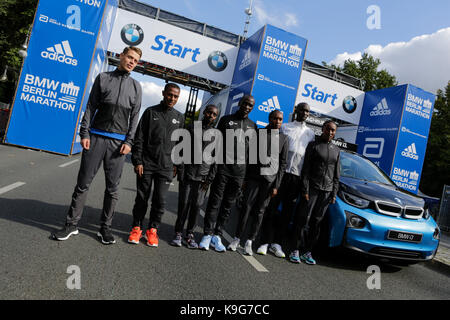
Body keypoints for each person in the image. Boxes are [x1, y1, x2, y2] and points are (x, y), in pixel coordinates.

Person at [53, 46, 142, 244]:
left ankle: (105, 228)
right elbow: (91, 106)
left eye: (135, 61)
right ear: (121, 56)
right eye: (129, 57)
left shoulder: (136, 87)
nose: (131, 62)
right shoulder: (103, 78)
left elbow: (134, 118)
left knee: (112, 189)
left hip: (118, 145)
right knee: (83, 185)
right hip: (95, 138)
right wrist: (84, 133)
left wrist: (129, 142)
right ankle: (71, 225)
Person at [127, 83, 185, 247]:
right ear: (163, 93)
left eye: (175, 96)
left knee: (160, 201)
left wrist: (177, 166)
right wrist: (137, 160)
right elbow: (140, 138)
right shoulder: (150, 112)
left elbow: (181, 146)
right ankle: (136, 228)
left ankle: (152, 230)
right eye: (170, 95)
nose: (172, 98)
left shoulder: (179, 117)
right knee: (142, 198)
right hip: (147, 165)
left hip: (166, 167)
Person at [199, 94, 257, 252]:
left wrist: (246, 177)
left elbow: (252, 153)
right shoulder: (225, 120)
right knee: (214, 203)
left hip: (239, 173)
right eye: (245, 103)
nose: (246, 107)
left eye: (250, 105)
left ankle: (217, 235)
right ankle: (207, 234)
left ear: (252, 108)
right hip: (222, 170)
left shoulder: (253, 126)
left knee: (227, 206)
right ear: (239, 103)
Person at [256, 102, 315, 257]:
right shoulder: (285, 127)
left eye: (307, 111)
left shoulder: (310, 133)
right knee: (271, 208)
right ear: (296, 111)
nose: (304, 113)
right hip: (280, 174)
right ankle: (264, 242)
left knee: (287, 213)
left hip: (296, 178)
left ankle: (277, 244)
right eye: (302, 110)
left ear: (309, 114)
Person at [227, 110, 288, 255]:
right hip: (254, 178)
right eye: (275, 118)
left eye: (280, 119)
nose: (277, 121)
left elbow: (283, 164)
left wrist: (276, 186)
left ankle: (250, 241)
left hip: (269, 181)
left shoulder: (284, 139)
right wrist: (245, 179)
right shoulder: (258, 133)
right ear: (269, 118)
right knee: (246, 208)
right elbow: (248, 157)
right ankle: (236, 238)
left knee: (260, 212)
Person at [289, 120, 340, 264]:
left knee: (316, 224)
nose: (330, 132)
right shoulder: (313, 145)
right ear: (323, 129)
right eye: (328, 129)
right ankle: (295, 249)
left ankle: (307, 252)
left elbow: (336, 175)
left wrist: (334, 193)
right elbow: (305, 170)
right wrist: (305, 189)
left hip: (326, 192)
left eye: (333, 130)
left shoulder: (336, 150)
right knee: (302, 220)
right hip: (311, 189)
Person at [170, 105, 219, 249]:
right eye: (209, 112)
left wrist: (209, 179)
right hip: (188, 173)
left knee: (196, 206)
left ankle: (190, 234)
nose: (211, 115)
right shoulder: (191, 127)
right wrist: (180, 169)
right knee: (183, 204)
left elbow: (216, 158)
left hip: (203, 178)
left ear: (216, 117)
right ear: (204, 112)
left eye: (214, 114)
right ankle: (178, 232)